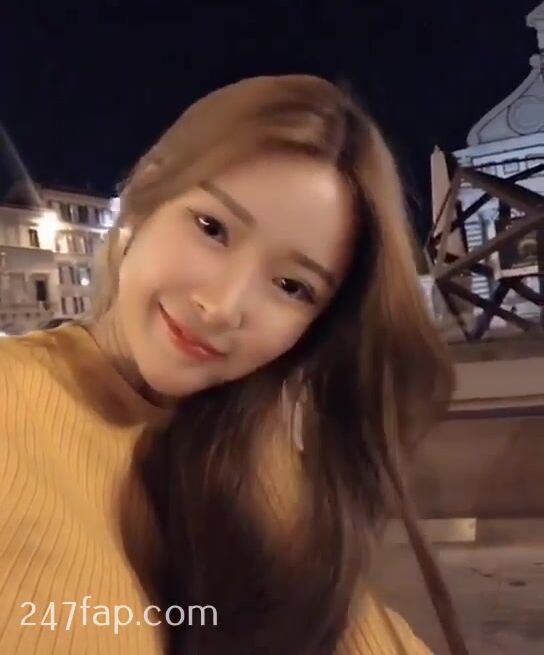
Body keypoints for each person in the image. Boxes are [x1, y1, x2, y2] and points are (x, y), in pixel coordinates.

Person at [0, 75, 456, 654]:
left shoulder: (264, 467)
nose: (222, 307)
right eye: (212, 229)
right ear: (146, 194)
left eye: (291, 286)